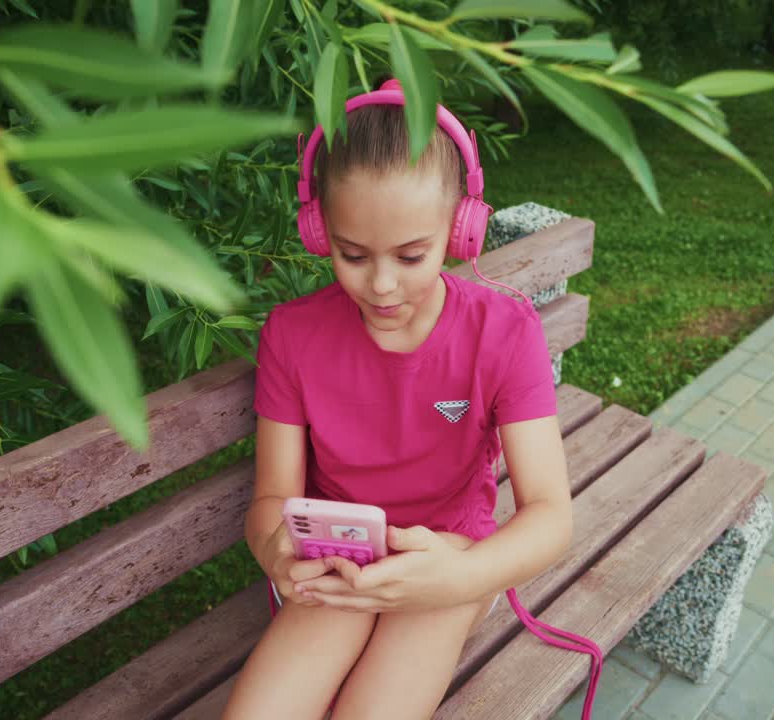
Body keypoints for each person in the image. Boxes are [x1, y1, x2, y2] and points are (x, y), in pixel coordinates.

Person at [221, 78, 574, 720]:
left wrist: (460, 579)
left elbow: (550, 513)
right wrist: (274, 548)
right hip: (334, 562)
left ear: (461, 231)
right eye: (354, 255)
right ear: (318, 230)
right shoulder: (292, 336)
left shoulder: (503, 331)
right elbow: (270, 498)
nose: (382, 285)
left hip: (450, 563)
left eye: (412, 255)